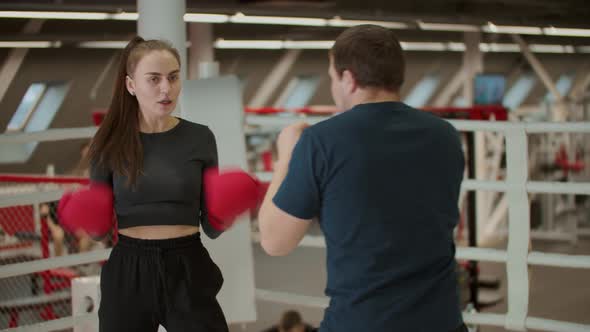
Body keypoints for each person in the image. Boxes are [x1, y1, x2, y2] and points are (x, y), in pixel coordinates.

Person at [258, 25, 467, 332]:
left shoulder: (322, 141)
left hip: (363, 323)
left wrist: (287, 157)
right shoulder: (446, 136)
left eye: (332, 78)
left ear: (348, 78)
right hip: (443, 322)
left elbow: (275, 242)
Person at [78, 37, 230, 332]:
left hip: (187, 264)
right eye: (154, 79)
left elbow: (212, 227)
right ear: (131, 85)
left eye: (173, 77)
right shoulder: (108, 142)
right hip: (129, 269)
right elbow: (98, 232)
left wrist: (229, 207)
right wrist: (85, 214)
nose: (166, 88)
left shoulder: (200, 138)